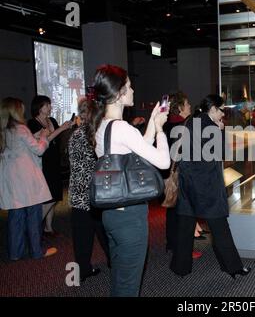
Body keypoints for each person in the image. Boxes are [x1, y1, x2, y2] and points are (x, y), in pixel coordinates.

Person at [91, 65, 170, 297]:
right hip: (130, 218)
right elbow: (163, 162)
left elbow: (137, 148)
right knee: (128, 286)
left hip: (111, 214)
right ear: (119, 94)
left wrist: (152, 123)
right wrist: (161, 131)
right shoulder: (123, 128)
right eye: (129, 86)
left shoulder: (103, 125)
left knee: (120, 277)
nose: (133, 90)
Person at [170, 94, 251, 278]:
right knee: (220, 227)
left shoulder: (193, 121)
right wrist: (221, 130)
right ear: (213, 109)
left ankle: (180, 267)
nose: (224, 114)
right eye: (222, 110)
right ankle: (233, 267)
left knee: (185, 227)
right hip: (206, 184)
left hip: (188, 182)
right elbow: (223, 153)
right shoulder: (211, 127)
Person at [0, 97, 57, 260]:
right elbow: (38, 150)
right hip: (26, 178)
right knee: (33, 214)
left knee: (15, 216)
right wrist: (45, 136)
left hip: (10, 179)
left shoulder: (3, 130)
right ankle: (37, 251)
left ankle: (15, 254)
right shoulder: (21, 129)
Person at [68, 98, 110, 282]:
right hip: (94, 192)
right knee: (106, 231)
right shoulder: (94, 135)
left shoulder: (75, 134)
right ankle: (114, 261)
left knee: (81, 237)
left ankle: (81, 271)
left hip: (77, 193)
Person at [163, 91, 202, 259]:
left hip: (169, 174)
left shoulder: (165, 126)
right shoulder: (186, 126)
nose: (190, 106)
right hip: (183, 174)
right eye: (187, 104)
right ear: (179, 108)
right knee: (185, 212)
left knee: (172, 210)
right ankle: (184, 249)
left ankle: (172, 243)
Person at [27, 95, 73, 237]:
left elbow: (57, 139)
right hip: (43, 162)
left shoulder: (51, 120)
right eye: (47, 105)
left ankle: (48, 228)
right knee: (48, 196)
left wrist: (68, 128)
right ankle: (33, 227)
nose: (50, 107)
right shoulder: (32, 123)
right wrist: (60, 129)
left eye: (49, 105)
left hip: (54, 160)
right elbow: (43, 141)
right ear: (39, 107)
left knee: (55, 195)